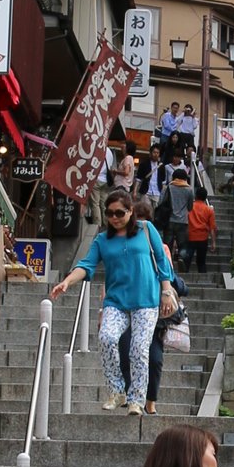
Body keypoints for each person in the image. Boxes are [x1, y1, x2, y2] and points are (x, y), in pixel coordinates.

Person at [50, 188, 175, 412]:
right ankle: (117, 390)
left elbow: (162, 262)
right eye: (109, 213)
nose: (114, 218)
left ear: (131, 211)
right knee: (107, 338)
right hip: (116, 301)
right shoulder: (101, 240)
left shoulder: (146, 230)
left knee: (138, 349)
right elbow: (86, 264)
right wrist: (67, 281)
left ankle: (137, 399)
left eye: (120, 213)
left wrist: (166, 291)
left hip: (145, 301)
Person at [122, 199, 173, 414]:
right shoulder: (122, 242)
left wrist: (167, 292)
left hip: (153, 306)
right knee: (126, 351)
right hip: (126, 306)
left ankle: (150, 400)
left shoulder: (159, 246)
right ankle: (133, 395)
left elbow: (168, 273)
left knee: (153, 356)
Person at [162, 169, 195, 259]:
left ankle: (167, 263)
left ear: (173, 177)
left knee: (167, 244)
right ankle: (181, 259)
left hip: (169, 220)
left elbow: (161, 202)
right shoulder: (189, 189)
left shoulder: (168, 187)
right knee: (182, 244)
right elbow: (190, 207)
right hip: (183, 221)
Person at [186, 187, 217, 274]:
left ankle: (184, 275)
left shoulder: (190, 207)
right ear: (205, 197)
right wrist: (213, 242)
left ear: (195, 196)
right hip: (203, 238)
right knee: (201, 262)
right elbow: (212, 227)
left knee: (187, 260)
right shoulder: (209, 210)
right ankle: (203, 276)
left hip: (190, 236)